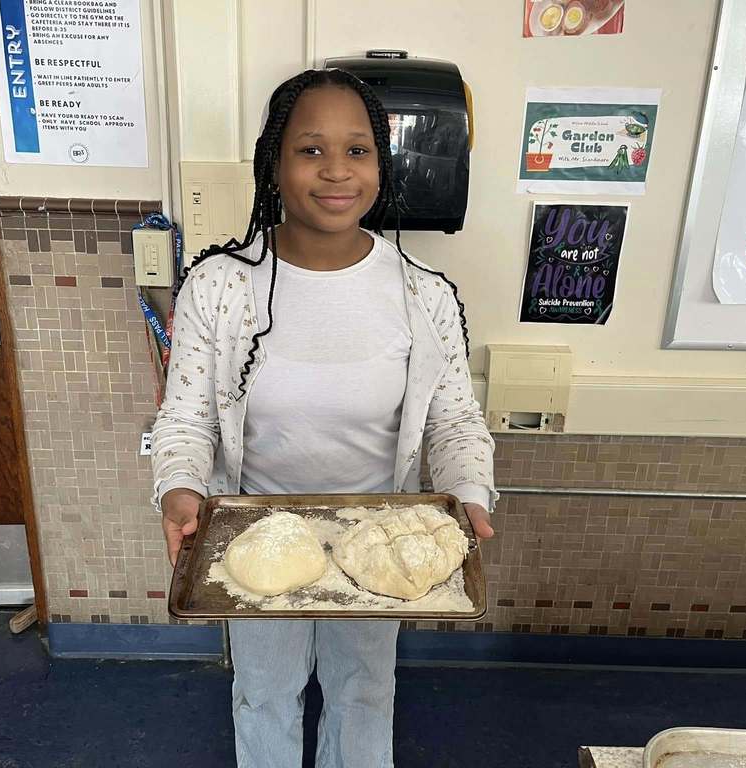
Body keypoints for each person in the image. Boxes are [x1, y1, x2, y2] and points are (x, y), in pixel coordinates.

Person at [150, 68, 498, 768]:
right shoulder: (219, 286)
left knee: (364, 692)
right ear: (274, 164)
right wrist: (180, 491)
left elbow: (455, 421)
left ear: (380, 165)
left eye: (358, 150)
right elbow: (186, 416)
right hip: (255, 531)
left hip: (380, 534)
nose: (337, 171)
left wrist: (468, 494)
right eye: (311, 149)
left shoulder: (423, 294)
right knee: (264, 693)